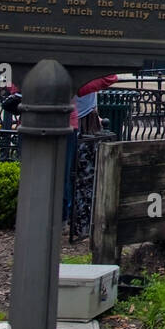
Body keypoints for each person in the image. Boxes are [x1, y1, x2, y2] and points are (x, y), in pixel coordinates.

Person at [64, 74, 120, 222]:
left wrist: (80, 86)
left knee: (82, 172)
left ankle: (77, 217)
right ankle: (69, 216)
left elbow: (111, 76)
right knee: (69, 172)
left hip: (85, 117)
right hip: (74, 117)